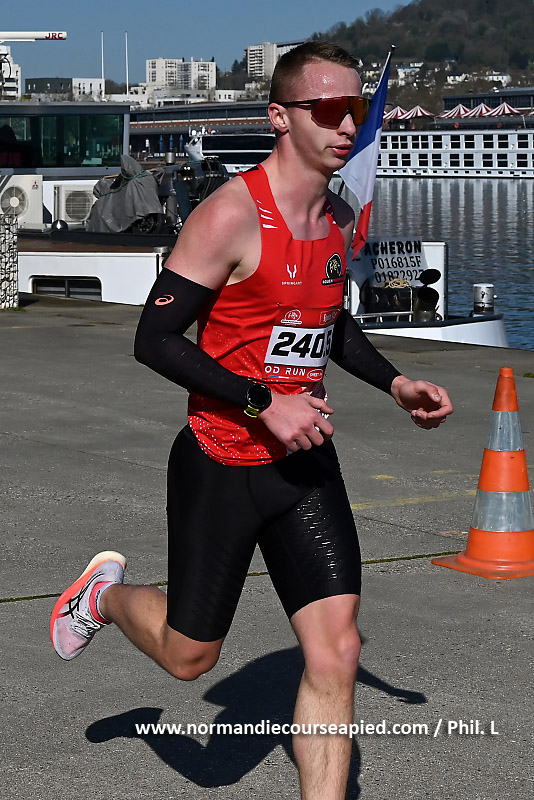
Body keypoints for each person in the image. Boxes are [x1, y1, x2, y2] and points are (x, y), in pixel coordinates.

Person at [51, 42, 453, 800]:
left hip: (305, 464)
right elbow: (155, 339)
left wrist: (395, 382)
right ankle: (103, 596)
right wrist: (265, 402)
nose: (347, 125)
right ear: (280, 116)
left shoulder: (338, 214)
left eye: (356, 109)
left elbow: (328, 323)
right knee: (189, 659)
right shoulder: (230, 215)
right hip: (221, 463)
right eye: (327, 109)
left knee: (336, 654)